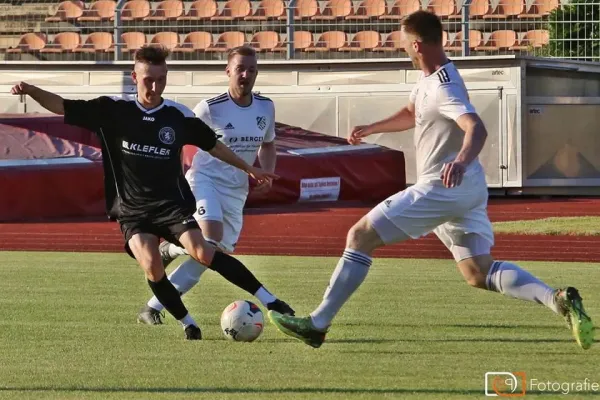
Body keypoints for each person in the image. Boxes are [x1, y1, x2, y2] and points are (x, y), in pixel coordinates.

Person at [267, 11, 594, 350]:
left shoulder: (444, 87)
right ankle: (557, 299)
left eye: (405, 44)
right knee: (477, 272)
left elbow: (476, 127)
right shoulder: (431, 79)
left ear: (418, 45)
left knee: (360, 234)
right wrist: (372, 128)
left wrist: (460, 161)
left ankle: (317, 323)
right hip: (466, 190)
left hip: (443, 186)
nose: (402, 49)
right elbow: (412, 113)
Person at [10, 45, 294, 340]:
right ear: (135, 77)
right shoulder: (113, 111)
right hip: (132, 210)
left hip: (171, 206)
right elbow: (63, 106)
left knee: (204, 250)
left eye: (161, 79)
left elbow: (214, 145)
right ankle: (188, 322)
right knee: (151, 265)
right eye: (149, 79)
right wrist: (31, 90)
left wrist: (250, 169)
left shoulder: (177, 115)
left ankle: (271, 299)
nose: (155, 86)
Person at [137, 45, 288, 324]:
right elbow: (177, 139)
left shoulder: (265, 106)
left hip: (236, 190)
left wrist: (266, 172)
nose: (246, 74)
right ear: (228, 71)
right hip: (204, 180)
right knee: (210, 236)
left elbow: (268, 144)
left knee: (208, 254)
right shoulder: (209, 108)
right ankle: (172, 252)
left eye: (252, 69)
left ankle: (154, 303)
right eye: (240, 68)